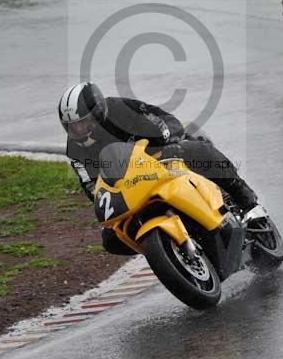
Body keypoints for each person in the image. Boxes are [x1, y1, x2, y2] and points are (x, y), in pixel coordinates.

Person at [58, 82, 258, 254]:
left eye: (84, 123)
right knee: (110, 239)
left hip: (160, 152)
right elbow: (91, 186)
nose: (79, 130)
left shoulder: (121, 108)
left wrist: (170, 139)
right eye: (73, 126)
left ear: (98, 112)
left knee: (197, 150)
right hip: (132, 181)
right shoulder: (75, 150)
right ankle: (166, 247)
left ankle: (246, 201)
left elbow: (161, 117)